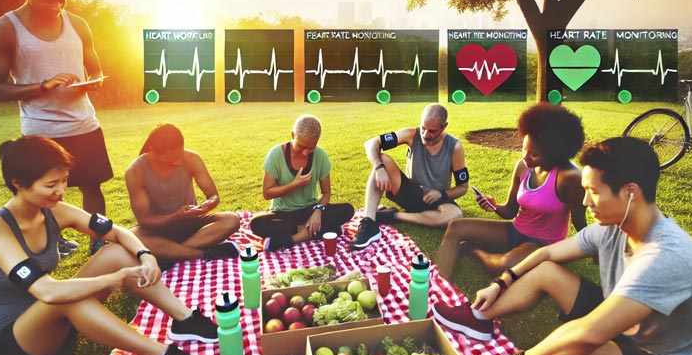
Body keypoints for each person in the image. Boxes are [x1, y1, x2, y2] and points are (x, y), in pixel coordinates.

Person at [432, 137, 692, 355]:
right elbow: (546, 254)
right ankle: (479, 318)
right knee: (546, 273)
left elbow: (589, 334)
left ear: (631, 192)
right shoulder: (612, 228)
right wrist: (500, 282)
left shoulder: (666, 256)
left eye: (593, 192)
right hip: (627, 333)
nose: (584, 202)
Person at [0, 136, 217, 355]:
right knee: (66, 297)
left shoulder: (54, 211)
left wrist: (145, 255)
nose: (61, 192)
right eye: (51, 184)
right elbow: (48, 292)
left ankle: (184, 319)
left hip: (55, 320)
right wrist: (114, 278)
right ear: (18, 183)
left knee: (117, 252)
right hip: (11, 343)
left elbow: (117, 231)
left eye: (64, 181)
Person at [0, 0, 112, 256]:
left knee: (92, 186)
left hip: (84, 123)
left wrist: (94, 81)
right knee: (44, 193)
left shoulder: (78, 24)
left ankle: (99, 240)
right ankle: (51, 241)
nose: (56, 4)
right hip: (41, 128)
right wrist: (43, 85)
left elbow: (95, 69)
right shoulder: (4, 29)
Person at [434, 103, 587, 281]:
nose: (525, 157)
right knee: (456, 226)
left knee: (502, 266)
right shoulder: (523, 167)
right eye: (523, 149)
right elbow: (510, 211)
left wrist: (597, 249)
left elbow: (579, 222)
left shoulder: (570, 177)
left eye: (534, 154)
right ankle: (438, 285)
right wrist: (494, 206)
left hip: (542, 243)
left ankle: (474, 250)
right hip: (516, 230)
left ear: (555, 153)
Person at [352, 103, 468, 249]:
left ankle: (390, 216)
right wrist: (378, 167)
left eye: (432, 131)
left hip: (436, 200)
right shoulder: (412, 134)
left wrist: (442, 193)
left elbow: (463, 187)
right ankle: (369, 222)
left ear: (444, 127)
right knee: (382, 159)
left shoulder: (454, 147)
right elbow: (371, 143)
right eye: (424, 128)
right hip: (409, 192)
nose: (425, 135)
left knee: (455, 215)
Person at [125, 123, 241, 268]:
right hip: (158, 231)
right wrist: (176, 216)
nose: (178, 162)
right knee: (132, 236)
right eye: (172, 160)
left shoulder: (191, 158)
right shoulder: (136, 171)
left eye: (179, 155)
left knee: (232, 219)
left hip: (192, 225)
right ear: (153, 152)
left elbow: (213, 196)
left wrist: (208, 205)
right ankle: (203, 254)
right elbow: (145, 220)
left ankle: (170, 254)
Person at [250, 114, 354, 252]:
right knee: (257, 223)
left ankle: (292, 239)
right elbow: (267, 193)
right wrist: (294, 184)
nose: (305, 153)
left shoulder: (320, 155)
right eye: (301, 146)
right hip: (283, 213)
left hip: (309, 210)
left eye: (311, 148)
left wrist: (318, 211)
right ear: (293, 135)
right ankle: (313, 231)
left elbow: (326, 192)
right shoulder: (276, 154)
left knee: (347, 210)